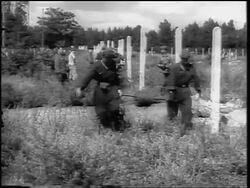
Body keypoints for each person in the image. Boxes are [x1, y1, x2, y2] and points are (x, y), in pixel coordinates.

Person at [75, 49, 126, 132]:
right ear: (105, 58)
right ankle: (105, 127)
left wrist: (119, 88)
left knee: (115, 109)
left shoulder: (112, 65)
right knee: (102, 111)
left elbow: (116, 77)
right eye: (111, 58)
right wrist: (81, 88)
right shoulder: (96, 66)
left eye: (113, 58)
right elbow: (88, 77)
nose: (113, 60)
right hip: (101, 91)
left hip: (112, 89)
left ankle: (117, 127)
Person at [163, 49, 201, 137]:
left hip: (185, 91)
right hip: (174, 92)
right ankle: (169, 133)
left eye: (187, 58)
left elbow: (196, 78)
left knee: (187, 112)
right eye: (184, 58)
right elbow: (170, 80)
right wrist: (171, 92)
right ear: (181, 58)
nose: (186, 60)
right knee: (172, 114)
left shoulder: (191, 68)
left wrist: (198, 90)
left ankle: (184, 133)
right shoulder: (174, 67)